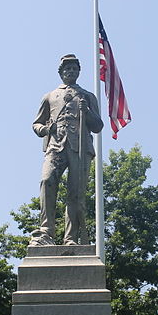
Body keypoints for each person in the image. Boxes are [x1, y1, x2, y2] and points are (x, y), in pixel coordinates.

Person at [30, 54, 103, 246]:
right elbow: (36, 124)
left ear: (78, 72)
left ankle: (71, 238)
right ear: (61, 72)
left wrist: (86, 111)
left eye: (73, 69)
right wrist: (46, 129)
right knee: (46, 181)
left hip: (80, 148)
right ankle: (46, 232)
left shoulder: (88, 96)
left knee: (75, 193)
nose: (70, 72)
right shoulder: (50, 96)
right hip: (55, 146)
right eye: (67, 69)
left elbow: (97, 126)